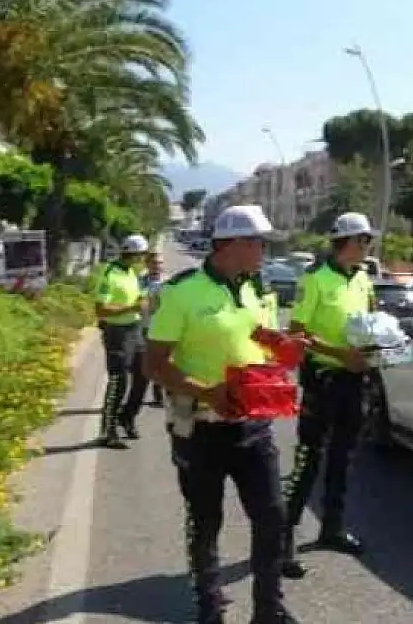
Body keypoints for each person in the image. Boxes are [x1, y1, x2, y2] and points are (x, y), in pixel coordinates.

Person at [144, 205, 301, 624]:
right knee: (205, 520)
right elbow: (153, 364)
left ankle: (268, 610)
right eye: (260, 243)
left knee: (272, 518)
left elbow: (254, 340)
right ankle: (210, 607)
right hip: (201, 428)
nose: (265, 251)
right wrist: (207, 393)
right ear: (233, 244)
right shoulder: (181, 293)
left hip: (253, 424)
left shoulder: (251, 289)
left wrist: (280, 345)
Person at [281, 211, 378, 578]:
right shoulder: (315, 280)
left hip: (355, 380)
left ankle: (332, 527)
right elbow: (297, 333)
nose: (369, 246)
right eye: (365, 240)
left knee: (344, 456)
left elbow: (369, 319)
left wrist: (378, 345)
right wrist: (341, 355)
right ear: (349, 242)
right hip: (324, 379)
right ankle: (284, 537)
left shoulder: (363, 278)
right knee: (309, 459)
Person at [94, 234, 150, 448]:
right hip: (116, 331)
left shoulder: (133, 273)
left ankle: (127, 416)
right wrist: (131, 308)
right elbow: (100, 310)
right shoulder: (110, 273)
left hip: (134, 329)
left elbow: (139, 297)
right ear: (133, 254)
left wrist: (142, 302)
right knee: (119, 382)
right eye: (141, 255)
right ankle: (107, 432)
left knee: (144, 375)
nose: (143, 259)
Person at [141, 252, 167, 407]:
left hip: (163, 329)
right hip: (144, 327)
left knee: (162, 363)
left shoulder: (168, 283)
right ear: (147, 264)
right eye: (154, 263)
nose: (157, 266)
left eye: (160, 263)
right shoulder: (140, 281)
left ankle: (159, 396)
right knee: (144, 363)